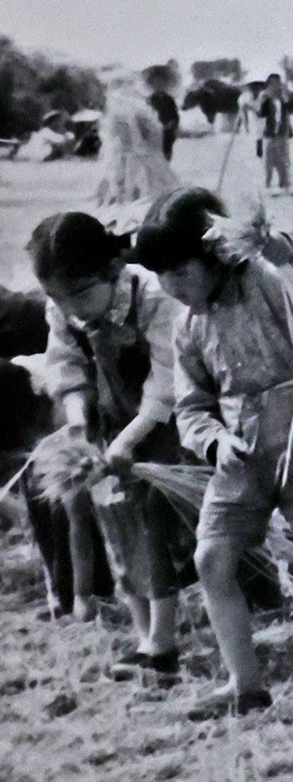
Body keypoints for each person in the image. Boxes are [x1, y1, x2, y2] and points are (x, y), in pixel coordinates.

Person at [130, 187, 293, 719]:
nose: (172, 287)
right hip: (240, 455)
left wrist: (272, 243)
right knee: (211, 559)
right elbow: (190, 407)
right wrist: (214, 439)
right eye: (162, 277)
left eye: (182, 273)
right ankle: (245, 685)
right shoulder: (189, 327)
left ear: (216, 254)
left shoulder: (265, 283)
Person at [30, 212, 191, 677]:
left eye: (80, 293)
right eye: (57, 297)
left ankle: (163, 643)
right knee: (116, 523)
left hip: (165, 425)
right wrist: (79, 425)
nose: (71, 308)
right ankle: (144, 636)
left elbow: (166, 385)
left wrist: (127, 441)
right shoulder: (65, 308)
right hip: (110, 423)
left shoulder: (155, 298)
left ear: (113, 270)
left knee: (154, 522)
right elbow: (65, 366)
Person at [259, 73, 292, 189]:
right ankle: (268, 183)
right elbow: (261, 113)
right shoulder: (266, 100)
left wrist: (287, 97)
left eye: (277, 83)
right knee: (269, 159)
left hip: (282, 133)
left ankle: (284, 183)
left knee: (282, 159)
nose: (274, 86)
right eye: (272, 84)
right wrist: (261, 101)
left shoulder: (284, 99)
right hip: (271, 133)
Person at [148, 84, 180, 160]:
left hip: (167, 127)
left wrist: (172, 124)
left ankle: (165, 163)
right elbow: (148, 112)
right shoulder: (151, 99)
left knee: (167, 147)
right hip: (155, 127)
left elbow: (174, 113)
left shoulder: (169, 99)